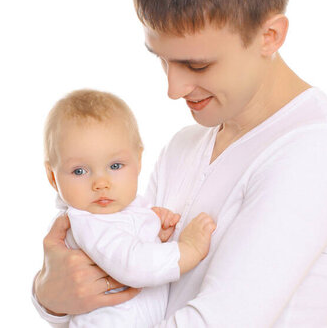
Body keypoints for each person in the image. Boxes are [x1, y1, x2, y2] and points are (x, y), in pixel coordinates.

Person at [34, 0, 327, 327]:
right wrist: (49, 296)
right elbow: (120, 279)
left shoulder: (316, 152)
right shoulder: (185, 145)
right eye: (161, 58)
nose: (174, 89)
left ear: (270, 36)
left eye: (197, 64)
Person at [36, 89, 216, 327]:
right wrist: (188, 249)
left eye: (115, 165)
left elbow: (125, 239)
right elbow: (133, 265)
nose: (101, 183)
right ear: (52, 177)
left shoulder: (126, 208)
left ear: (138, 160)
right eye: (80, 171)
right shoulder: (85, 221)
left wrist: (153, 230)